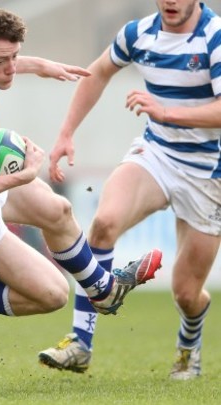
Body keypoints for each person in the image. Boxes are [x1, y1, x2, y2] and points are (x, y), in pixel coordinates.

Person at [0, 5, 163, 371]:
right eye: (3, 61)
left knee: (57, 211)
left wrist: (42, 66)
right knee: (52, 294)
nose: (12, 67)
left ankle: (103, 292)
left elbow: (3, 59)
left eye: (15, 56)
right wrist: (22, 176)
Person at [38, 0, 221, 380]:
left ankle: (188, 346)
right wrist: (66, 133)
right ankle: (80, 342)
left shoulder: (214, 37)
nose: (170, 1)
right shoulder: (138, 33)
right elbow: (98, 72)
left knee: (187, 294)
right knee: (104, 222)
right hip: (157, 153)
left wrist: (167, 112)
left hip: (208, 171)